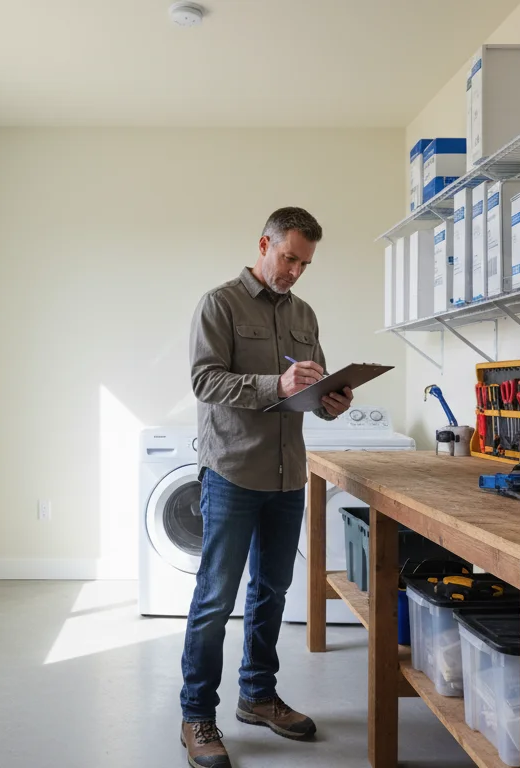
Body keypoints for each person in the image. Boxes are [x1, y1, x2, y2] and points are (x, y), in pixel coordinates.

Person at [179, 207, 353, 768]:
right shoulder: (219, 304)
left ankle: (257, 696)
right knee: (214, 601)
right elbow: (205, 380)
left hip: (287, 475)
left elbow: (311, 390)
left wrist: (333, 400)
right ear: (264, 244)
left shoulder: (304, 314)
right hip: (232, 472)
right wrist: (272, 383)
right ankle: (197, 715)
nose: (296, 272)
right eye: (289, 258)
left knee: (272, 593)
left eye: (305, 263)